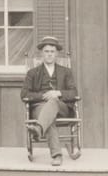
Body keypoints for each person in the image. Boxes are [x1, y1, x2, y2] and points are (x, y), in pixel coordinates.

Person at [20, 36, 79, 167]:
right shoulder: (32, 73)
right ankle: (57, 155)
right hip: (39, 109)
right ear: (42, 53)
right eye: (46, 51)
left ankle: (39, 129)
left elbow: (74, 93)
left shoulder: (66, 72)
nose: (49, 54)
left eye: (52, 51)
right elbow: (24, 94)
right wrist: (43, 96)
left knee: (53, 102)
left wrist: (57, 93)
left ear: (56, 53)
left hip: (62, 108)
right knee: (48, 117)